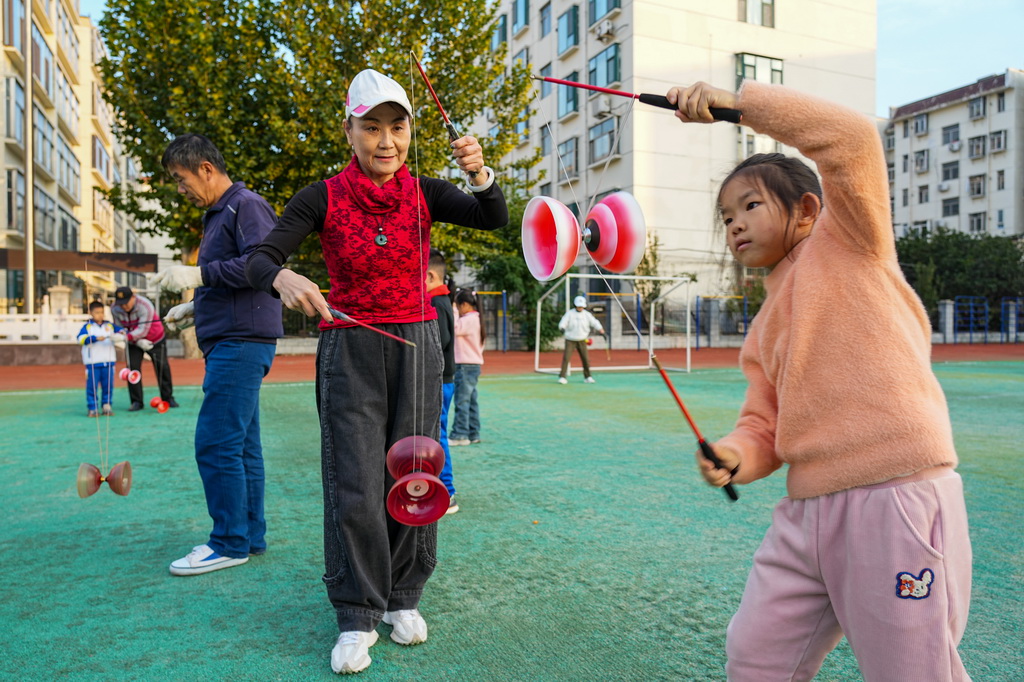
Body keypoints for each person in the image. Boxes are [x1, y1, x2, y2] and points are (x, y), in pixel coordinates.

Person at [670, 80, 972, 681]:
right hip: (805, 512)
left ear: (808, 210)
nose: (734, 226)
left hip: (894, 497)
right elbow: (764, 425)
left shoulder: (852, 240)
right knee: (756, 657)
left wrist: (738, 106)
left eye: (750, 206)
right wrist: (735, 456)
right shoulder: (761, 327)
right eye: (726, 217)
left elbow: (852, 139)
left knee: (911, 671)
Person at [245, 69, 507, 674]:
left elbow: (492, 217)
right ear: (350, 131)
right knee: (357, 481)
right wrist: (281, 275)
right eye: (372, 127)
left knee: (416, 473)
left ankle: (402, 597)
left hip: (417, 344)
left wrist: (481, 174)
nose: (385, 140)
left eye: (397, 126)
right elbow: (260, 258)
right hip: (350, 347)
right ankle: (357, 614)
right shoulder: (323, 196)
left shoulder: (427, 193)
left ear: (410, 130)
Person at [150, 133, 284, 576]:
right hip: (237, 337)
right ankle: (248, 534)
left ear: (206, 168)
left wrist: (197, 274)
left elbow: (262, 264)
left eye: (180, 178)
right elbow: (237, 274)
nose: (179, 188)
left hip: (240, 342)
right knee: (242, 444)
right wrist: (196, 305)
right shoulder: (221, 211)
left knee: (217, 441)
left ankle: (228, 541)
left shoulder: (243, 204)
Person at [426, 249, 458, 514]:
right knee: (436, 433)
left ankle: (447, 492)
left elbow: (440, 341)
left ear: (429, 276)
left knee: (439, 435)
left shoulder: (437, 302)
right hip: (441, 379)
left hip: (441, 379)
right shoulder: (440, 300)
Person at [111, 286, 177, 411]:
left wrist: (128, 337)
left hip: (155, 339)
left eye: (126, 302)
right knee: (132, 369)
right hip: (133, 341)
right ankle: (136, 402)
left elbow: (143, 330)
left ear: (133, 297)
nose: (124, 306)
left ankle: (168, 398)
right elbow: (119, 327)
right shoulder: (115, 308)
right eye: (121, 304)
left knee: (162, 367)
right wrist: (122, 335)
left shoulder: (145, 305)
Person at [76, 301, 125, 417]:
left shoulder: (109, 325)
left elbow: (122, 332)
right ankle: (92, 408)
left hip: (108, 362)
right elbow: (81, 339)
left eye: (102, 312)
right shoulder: (87, 326)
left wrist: (117, 336)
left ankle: (106, 406)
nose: (100, 315)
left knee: (108, 386)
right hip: (93, 363)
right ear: (91, 313)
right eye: (97, 312)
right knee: (92, 387)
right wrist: (96, 338)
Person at [449, 289, 484, 447]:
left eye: (458, 305)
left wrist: (453, 311)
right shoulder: (476, 319)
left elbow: (455, 329)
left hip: (465, 365)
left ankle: (460, 434)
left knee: (462, 401)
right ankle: (473, 432)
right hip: (472, 365)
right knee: (471, 401)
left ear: (464, 305)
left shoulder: (470, 319)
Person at [556, 295, 604, 385]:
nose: (580, 307)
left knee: (585, 359)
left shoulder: (587, 315)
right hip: (570, 339)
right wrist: (562, 327)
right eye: (578, 306)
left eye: (581, 306)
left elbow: (594, 322)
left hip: (582, 340)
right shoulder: (569, 313)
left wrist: (600, 329)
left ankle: (588, 377)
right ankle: (562, 377)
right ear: (575, 305)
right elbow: (563, 322)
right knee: (566, 358)